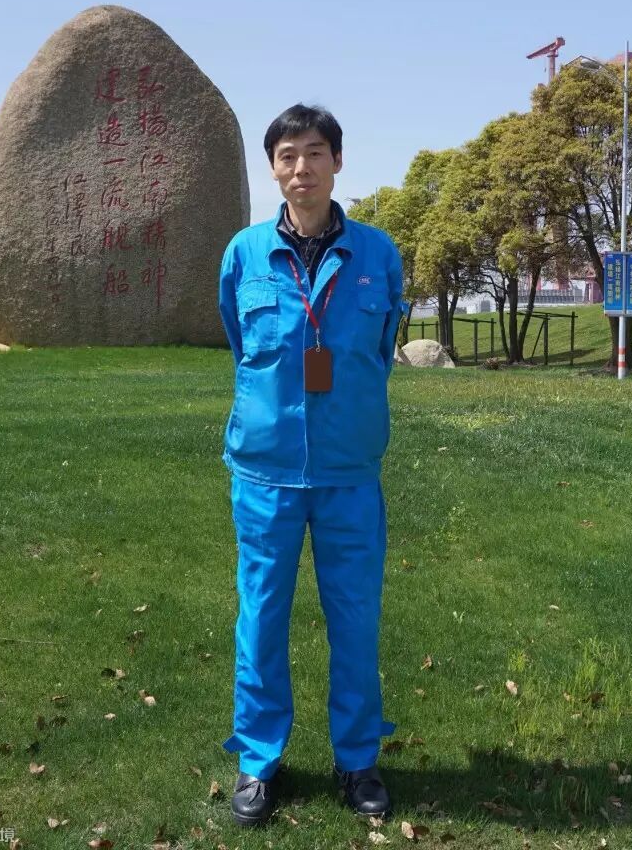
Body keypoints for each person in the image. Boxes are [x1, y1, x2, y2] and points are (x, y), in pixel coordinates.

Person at [217, 103, 407, 827]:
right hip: (264, 474)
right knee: (261, 618)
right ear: (273, 168)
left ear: (337, 162)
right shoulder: (244, 254)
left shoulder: (377, 255)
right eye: (288, 155)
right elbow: (240, 343)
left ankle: (357, 759)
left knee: (355, 620)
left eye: (316, 153)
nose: (303, 168)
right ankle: (258, 760)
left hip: (349, 473)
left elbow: (381, 349)